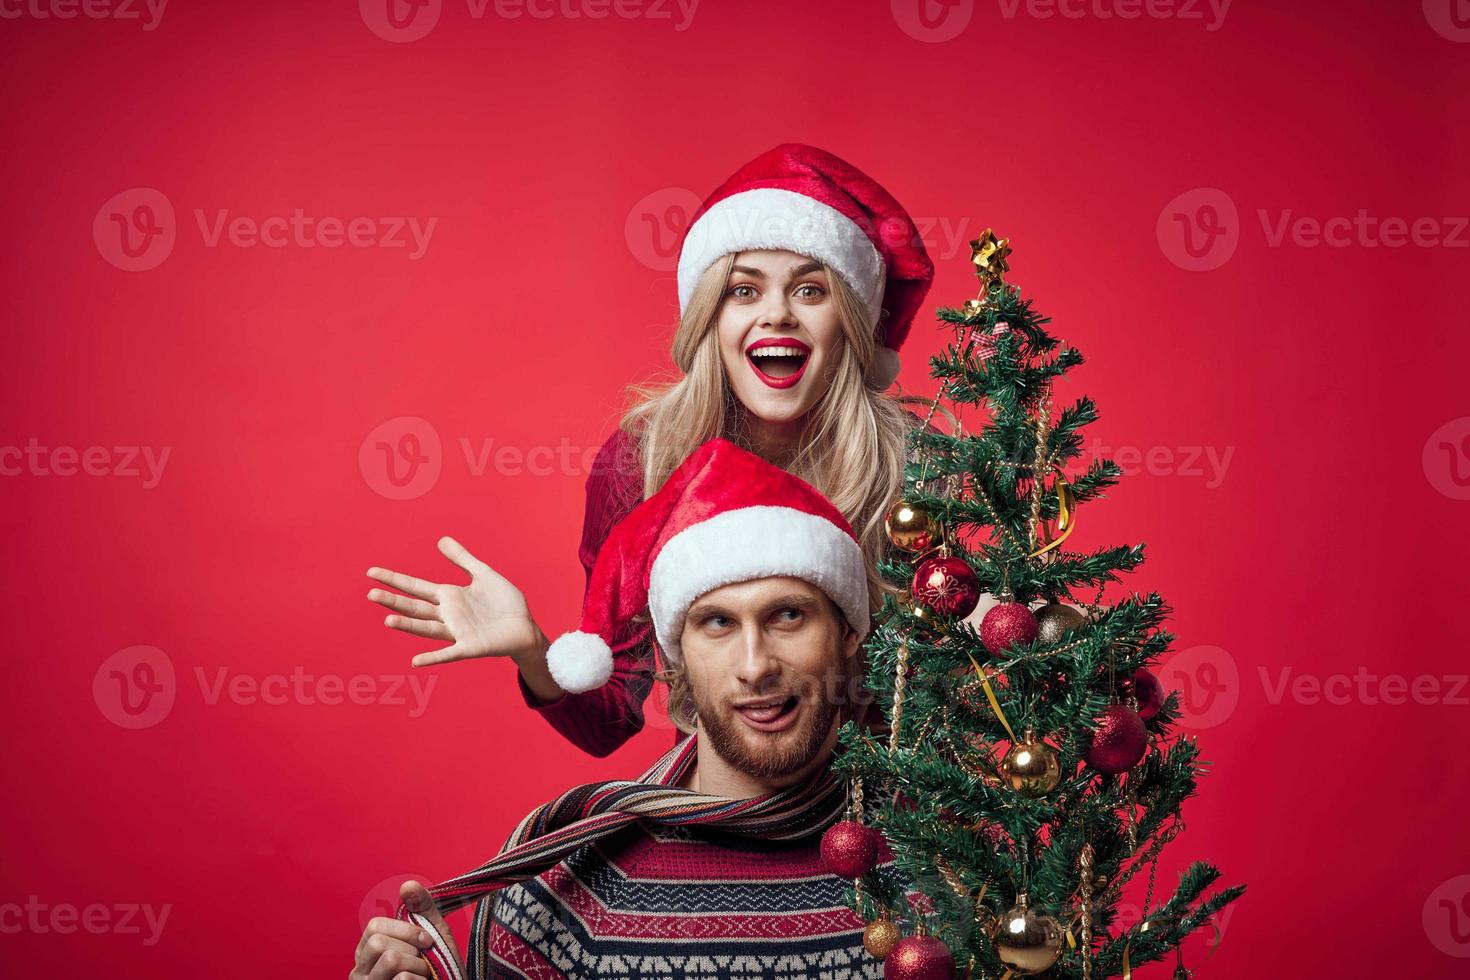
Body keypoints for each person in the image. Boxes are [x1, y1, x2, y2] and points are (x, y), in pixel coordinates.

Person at [365, 143, 935, 756]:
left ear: (849, 320)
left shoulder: (913, 464)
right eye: (744, 291)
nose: (777, 316)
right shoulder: (641, 461)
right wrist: (533, 650)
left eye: (811, 291)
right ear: (708, 318)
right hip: (724, 787)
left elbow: (955, 688)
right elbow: (610, 716)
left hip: (894, 811)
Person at [350, 440, 888, 980]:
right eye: (718, 623)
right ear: (676, 655)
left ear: (847, 632)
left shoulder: (943, 858)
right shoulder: (569, 895)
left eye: (788, 615)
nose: (755, 666)